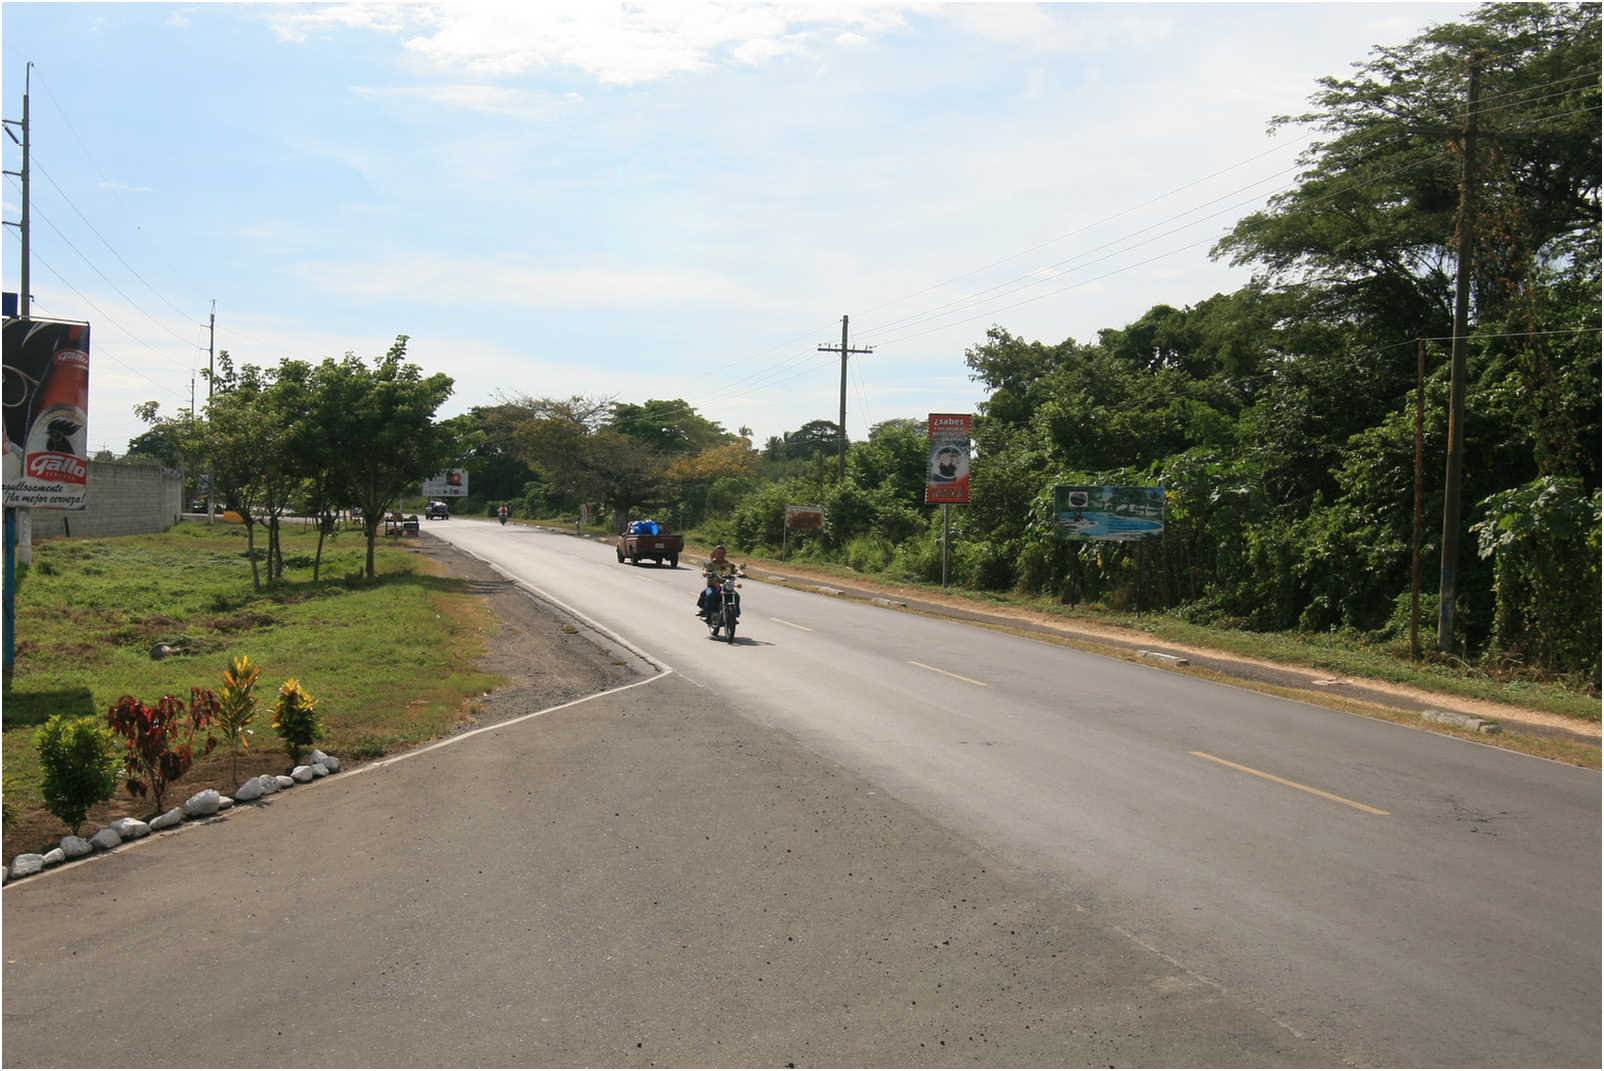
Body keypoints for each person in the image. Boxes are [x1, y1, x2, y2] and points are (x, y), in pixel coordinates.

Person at [695, 544, 741, 617]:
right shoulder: (710, 564)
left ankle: (735, 614)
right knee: (710, 595)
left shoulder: (728, 564)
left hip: (726, 586)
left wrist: (740, 573)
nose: (720, 555)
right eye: (718, 553)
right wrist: (706, 573)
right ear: (715, 554)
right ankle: (706, 612)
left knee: (736, 596)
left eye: (722, 553)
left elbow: (735, 570)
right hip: (713, 586)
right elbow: (705, 570)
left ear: (725, 554)